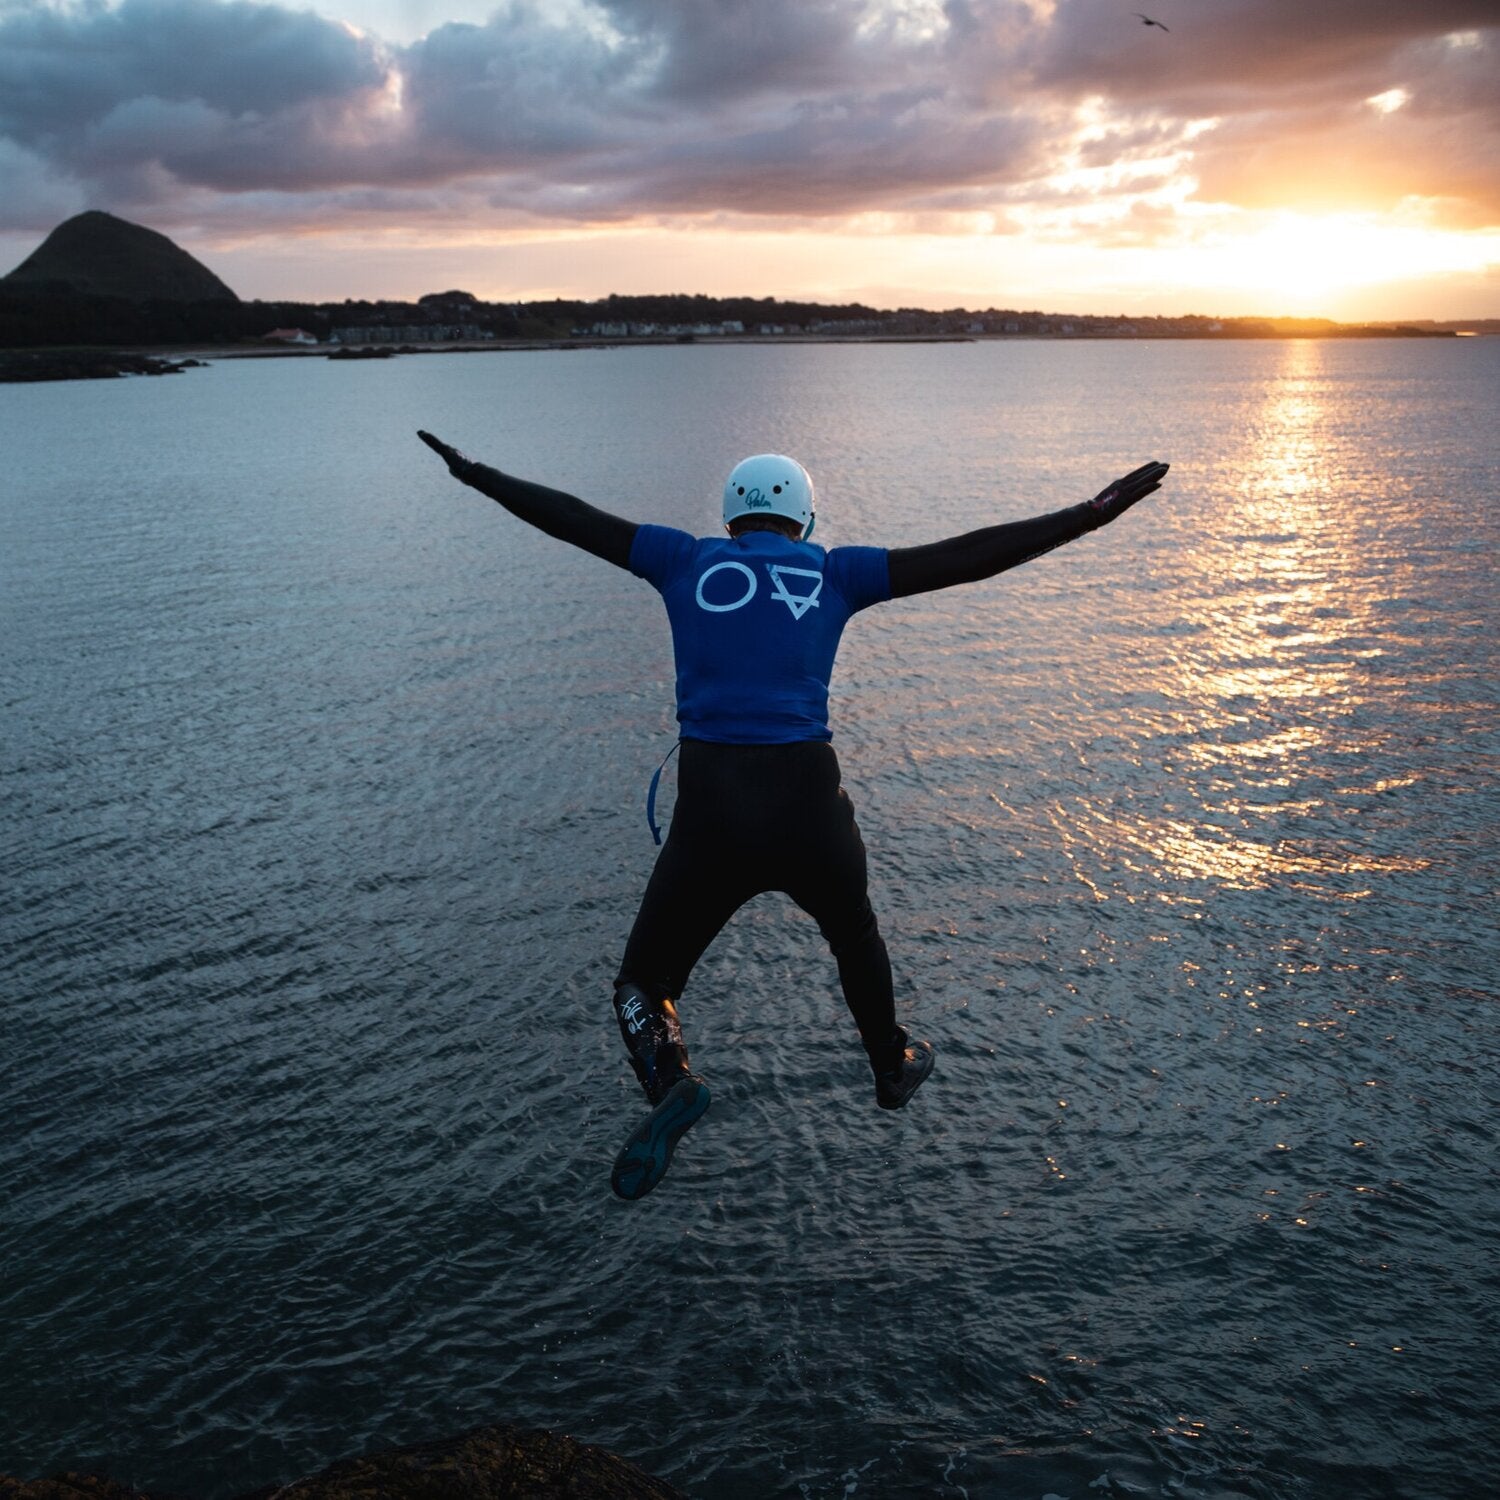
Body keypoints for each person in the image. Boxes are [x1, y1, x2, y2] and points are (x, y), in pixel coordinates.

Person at [417, 431, 1168, 1199]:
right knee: (854, 933)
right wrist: (1088, 514)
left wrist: (480, 476)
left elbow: (575, 519)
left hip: (712, 809)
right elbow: (964, 556)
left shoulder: (683, 561)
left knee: (644, 984)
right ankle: (890, 1066)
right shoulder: (836, 572)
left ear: (729, 517)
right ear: (805, 521)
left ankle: (673, 1084)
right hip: (810, 803)